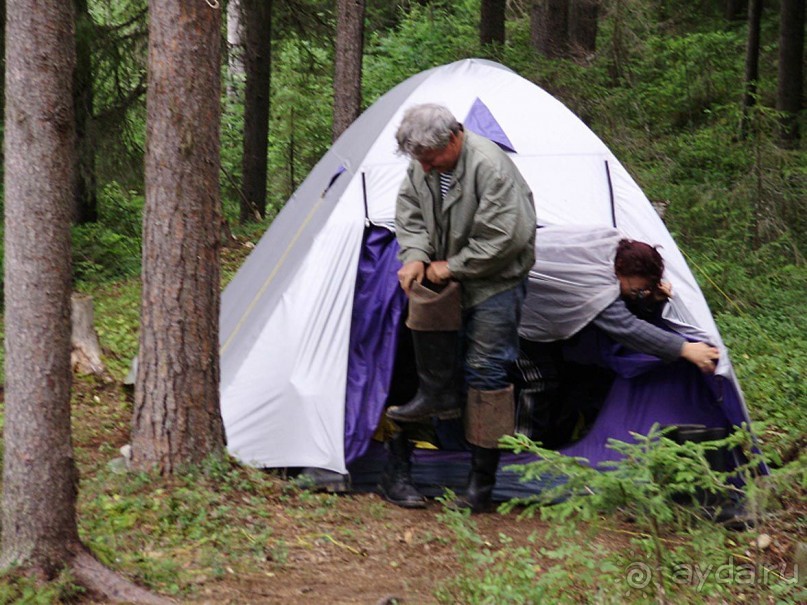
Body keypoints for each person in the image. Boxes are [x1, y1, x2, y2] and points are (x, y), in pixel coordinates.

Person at [379, 103, 536, 513]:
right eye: (419, 161)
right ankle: (402, 462)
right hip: (440, 282)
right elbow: (409, 214)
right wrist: (414, 255)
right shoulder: (423, 165)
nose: (425, 169)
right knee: (416, 364)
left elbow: (507, 237)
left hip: (493, 284)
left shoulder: (490, 166)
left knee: (487, 373)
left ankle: (480, 486)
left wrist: (453, 266)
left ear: (454, 138)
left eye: (430, 159)